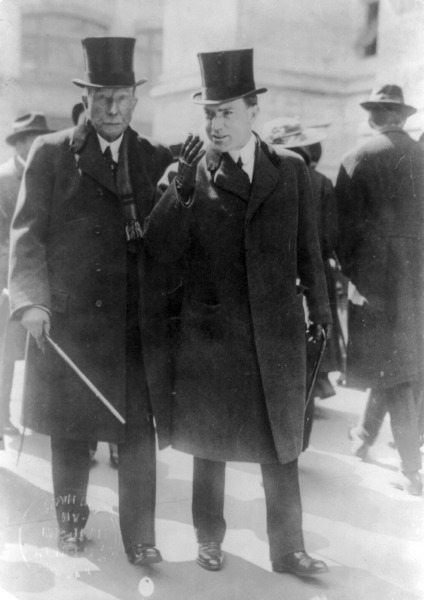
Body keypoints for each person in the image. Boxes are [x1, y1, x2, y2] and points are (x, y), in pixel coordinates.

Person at [145, 49, 332, 577]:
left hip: (275, 329)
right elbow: (158, 250)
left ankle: (288, 549)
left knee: (282, 444)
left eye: (226, 112)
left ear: (253, 111)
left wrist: (321, 309)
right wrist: (180, 187)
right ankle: (208, 539)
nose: (216, 124)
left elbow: (309, 249)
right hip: (212, 330)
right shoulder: (188, 172)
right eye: (209, 114)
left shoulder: (289, 169)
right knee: (210, 444)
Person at [8, 37, 174, 559]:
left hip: (131, 326)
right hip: (71, 323)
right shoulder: (52, 153)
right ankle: (70, 524)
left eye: (121, 97)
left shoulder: (152, 158)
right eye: (102, 97)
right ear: (86, 98)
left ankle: (141, 540)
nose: (112, 109)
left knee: (138, 435)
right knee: (71, 434)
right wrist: (31, 301)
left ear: (135, 100)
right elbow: (27, 235)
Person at [336, 84, 424, 496]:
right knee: (401, 361)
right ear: (402, 117)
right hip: (418, 278)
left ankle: (410, 469)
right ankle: (363, 436)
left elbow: (339, 230)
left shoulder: (357, 157)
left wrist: (356, 273)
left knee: (394, 368)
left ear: (373, 116)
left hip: (376, 278)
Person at [262, 117, 342, 450]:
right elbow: (330, 236)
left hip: (275, 277)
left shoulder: (263, 176)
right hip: (314, 275)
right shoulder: (320, 181)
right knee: (311, 349)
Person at [71, 101, 119, 469]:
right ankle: (87, 443)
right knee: (85, 377)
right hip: (81, 293)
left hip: (116, 290)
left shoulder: (127, 157)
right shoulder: (70, 159)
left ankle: (115, 444)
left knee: (114, 377)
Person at [0, 112, 54, 440]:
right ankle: (1, 417)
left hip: (41, 275)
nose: (38, 145)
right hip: (8, 279)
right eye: (32, 139)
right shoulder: (4, 178)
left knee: (39, 348)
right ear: (20, 143)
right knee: (6, 352)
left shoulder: (48, 173)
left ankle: (39, 417)